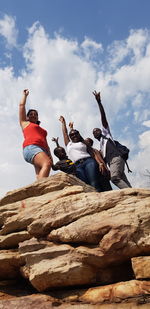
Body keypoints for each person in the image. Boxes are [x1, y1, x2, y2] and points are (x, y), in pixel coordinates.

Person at [92, 90, 132, 189]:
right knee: (123, 180)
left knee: (114, 178)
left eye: (97, 130)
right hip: (111, 162)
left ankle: (131, 194)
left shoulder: (106, 135)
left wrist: (99, 102)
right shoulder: (101, 146)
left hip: (116, 158)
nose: (96, 132)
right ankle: (136, 195)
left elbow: (103, 117)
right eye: (94, 132)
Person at [59, 115, 108, 192]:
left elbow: (93, 153)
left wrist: (100, 163)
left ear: (79, 135)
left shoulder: (83, 143)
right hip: (77, 166)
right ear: (70, 137)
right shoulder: (69, 144)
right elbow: (65, 133)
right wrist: (63, 123)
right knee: (85, 185)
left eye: (76, 134)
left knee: (94, 182)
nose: (74, 135)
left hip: (88, 162)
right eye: (71, 135)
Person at [19, 89, 53, 180]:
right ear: (27, 117)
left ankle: (39, 191)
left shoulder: (42, 130)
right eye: (31, 114)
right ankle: (40, 190)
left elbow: (46, 144)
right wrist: (25, 96)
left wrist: (50, 156)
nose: (33, 115)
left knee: (40, 175)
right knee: (47, 164)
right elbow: (21, 106)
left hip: (43, 150)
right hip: (32, 148)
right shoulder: (25, 123)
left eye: (35, 114)